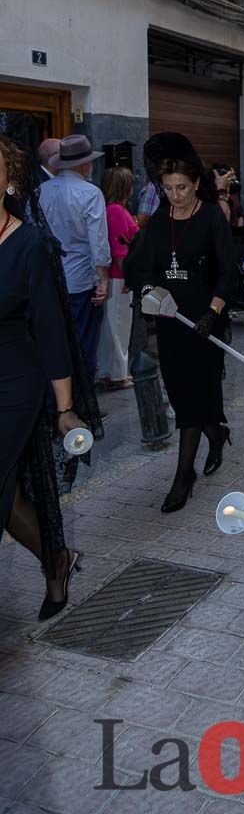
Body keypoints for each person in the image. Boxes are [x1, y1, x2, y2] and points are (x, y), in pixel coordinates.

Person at [0, 115, 101, 619]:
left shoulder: (28, 245)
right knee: (8, 496)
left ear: (10, 180)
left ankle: (56, 559)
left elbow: (51, 330)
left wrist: (65, 408)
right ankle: (56, 557)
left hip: (14, 385)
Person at [129, 133, 238, 513]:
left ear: (195, 185)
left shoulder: (210, 217)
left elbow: (229, 272)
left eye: (182, 187)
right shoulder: (159, 222)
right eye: (168, 188)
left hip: (206, 321)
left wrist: (213, 312)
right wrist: (150, 294)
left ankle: (183, 476)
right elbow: (141, 269)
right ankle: (217, 430)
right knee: (183, 395)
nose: (175, 195)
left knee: (196, 395)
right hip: (172, 322)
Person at [38, 134, 110, 380]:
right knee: (84, 341)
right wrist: (103, 279)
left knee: (57, 341)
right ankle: (83, 399)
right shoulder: (90, 193)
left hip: (50, 278)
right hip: (80, 279)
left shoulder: (41, 191)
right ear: (83, 164)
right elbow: (98, 242)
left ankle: (61, 400)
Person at [97, 166, 139, 390]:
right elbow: (120, 249)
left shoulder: (112, 210)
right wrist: (129, 277)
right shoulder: (116, 211)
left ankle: (111, 371)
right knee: (118, 324)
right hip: (119, 276)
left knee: (113, 324)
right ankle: (116, 374)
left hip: (117, 275)